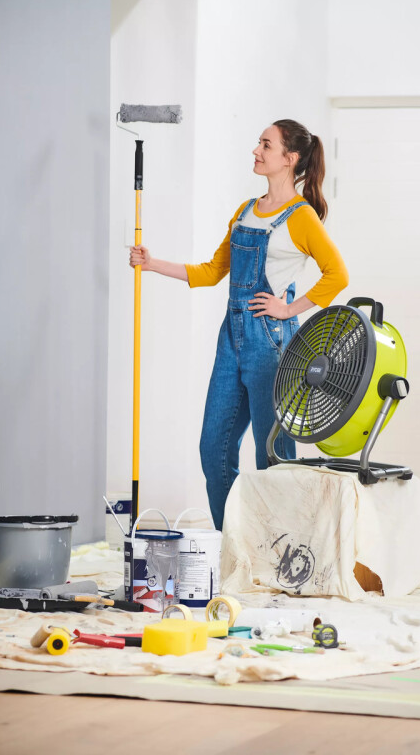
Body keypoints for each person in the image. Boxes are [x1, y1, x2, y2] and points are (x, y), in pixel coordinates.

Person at [129, 119, 349, 529]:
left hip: (271, 345)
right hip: (230, 341)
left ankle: (280, 548)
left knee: (273, 458)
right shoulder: (246, 211)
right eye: (258, 143)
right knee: (213, 448)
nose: (256, 151)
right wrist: (152, 263)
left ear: (290, 158)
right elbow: (213, 271)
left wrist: (289, 308)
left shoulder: (302, 217)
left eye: (266, 145)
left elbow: (337, 274)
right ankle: (234, 542)